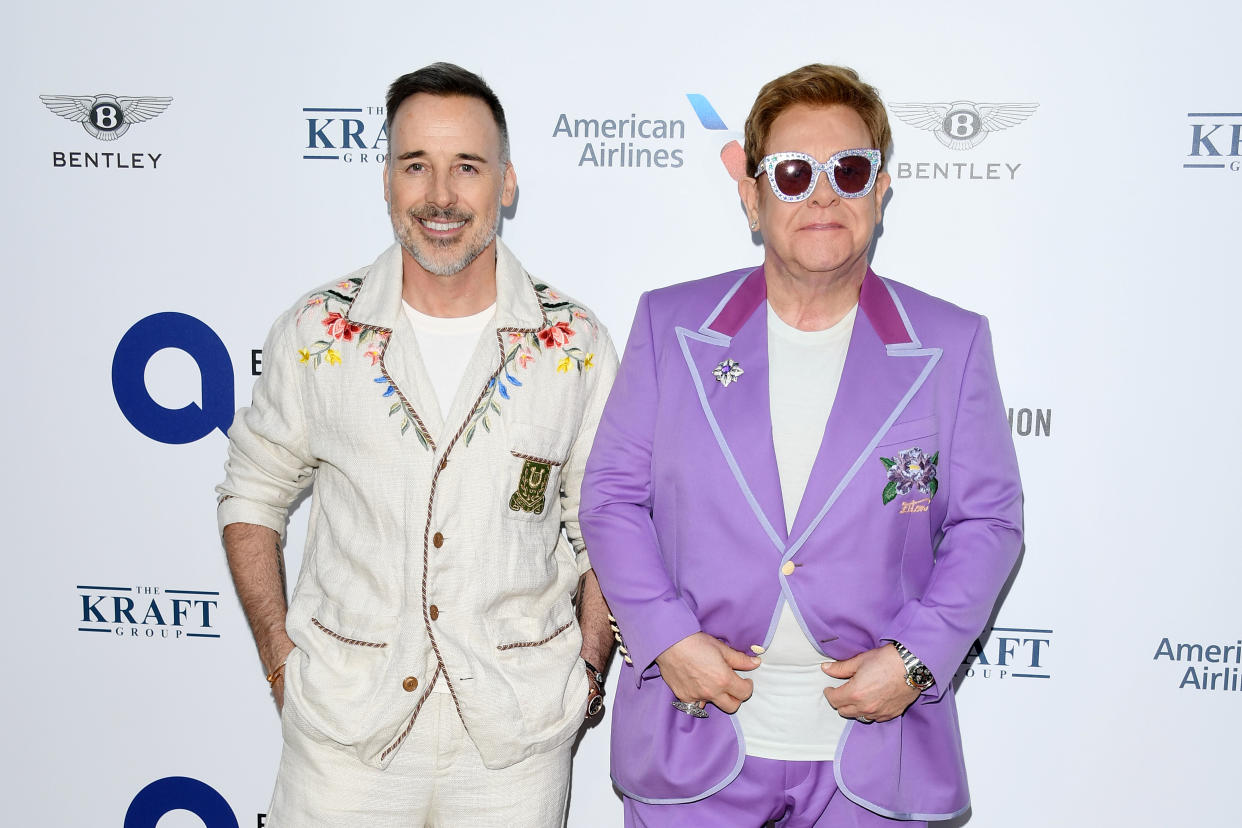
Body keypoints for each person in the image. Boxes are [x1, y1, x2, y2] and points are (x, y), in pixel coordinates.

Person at [580, 64, 1022, 827]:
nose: (823, 194)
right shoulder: (668, 328)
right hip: (696, 741)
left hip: (876, 752)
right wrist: (665, 637)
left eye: (849, 171)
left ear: (881, 190)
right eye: (792, 173)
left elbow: (989, 524)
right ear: (752, 196)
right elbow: (612, 497)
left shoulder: (951, 344)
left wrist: (916, 660)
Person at [216, 62, 617, 827]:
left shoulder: (576, 344)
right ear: (386, 182)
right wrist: (279, 658)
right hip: (342, 736)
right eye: (416, 166)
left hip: (517, 744)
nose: (440, 196)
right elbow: (251, 492)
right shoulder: (316, 331)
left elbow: (607, 523)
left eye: (467, 167)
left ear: (506, 183)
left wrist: (590, 671)